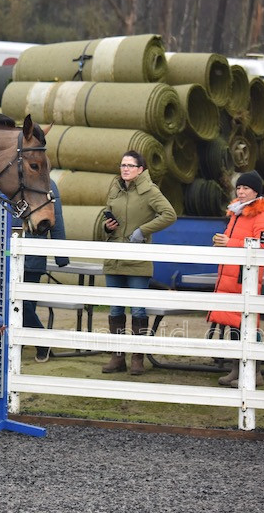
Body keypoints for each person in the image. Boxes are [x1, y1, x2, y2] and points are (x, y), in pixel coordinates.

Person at [101, 150, 176, 375]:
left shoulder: (150, 191)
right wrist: (107, 227)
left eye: (130, 165)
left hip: (137, 260)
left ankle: (137, 358)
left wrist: (143, 230)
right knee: (115, 308)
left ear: (140, 169)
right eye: (122, 165)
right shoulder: (114, 188)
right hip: (114, 257)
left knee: (137, 309)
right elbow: (106, 214)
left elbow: (169, 214)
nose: (125, 169)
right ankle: (117, 357)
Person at [0, 178, 68, 362]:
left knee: (26, 305)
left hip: (33, 252)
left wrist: (61, 254)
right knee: (9, 302)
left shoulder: (47, 184)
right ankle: (27, 342)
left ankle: (38, 342)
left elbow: (57, 217)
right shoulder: (2, 182)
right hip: (5, 253)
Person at [209, 170, 264, 387]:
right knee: (234, 324)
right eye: (239, 187)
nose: (240, 191)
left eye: (245, 188)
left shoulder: (263, 215)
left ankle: (254, 372)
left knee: (247, 324)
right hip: (231, 276)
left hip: (244, 277)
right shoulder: (236, 212)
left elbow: (263, 245)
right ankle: (236, 369)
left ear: (255, 191)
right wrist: (222, 241)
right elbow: (235, 240)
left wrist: (229, 242)